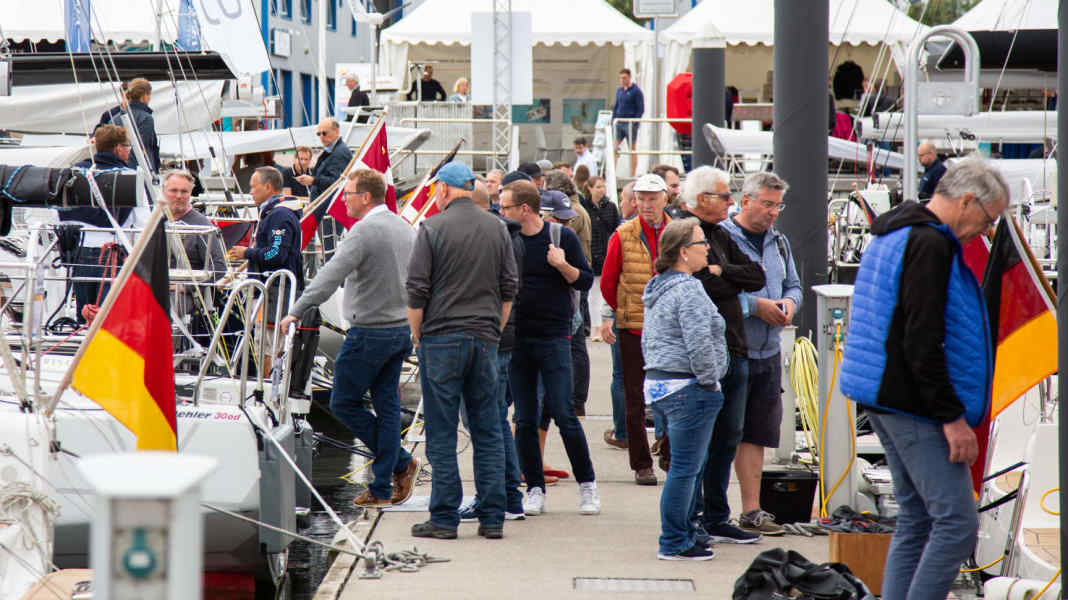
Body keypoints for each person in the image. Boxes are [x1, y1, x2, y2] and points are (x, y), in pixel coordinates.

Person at [840, 159, 1009, 600]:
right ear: (967, 201)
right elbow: (922, 339)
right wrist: (951, 417)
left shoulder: (893, 230)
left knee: (916, 518)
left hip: (885, 396)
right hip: (912, 403)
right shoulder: (930, 244)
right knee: (957, 522)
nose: (985, 231)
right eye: (988, 219)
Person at [280, 169, 419, 508]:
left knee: (342, 401)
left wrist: (297, 309)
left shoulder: (363, 231)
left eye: (349, 194)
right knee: (386, 405)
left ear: (366, 197)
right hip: (400, 330)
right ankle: (384, 486)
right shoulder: (405, 227)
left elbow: (330, 274)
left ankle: (400, 464)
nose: (344, 200)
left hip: (369, 333)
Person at [406, 162, 518, 540]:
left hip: (441, 339)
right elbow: (508, 289)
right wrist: (493, 331)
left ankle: (444, 517)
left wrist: (418, 337)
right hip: (484, 338)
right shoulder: (497, 227)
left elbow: (416, 291)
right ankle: (492, 517)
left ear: (443, 190)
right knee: (488, 428)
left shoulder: (432, 228)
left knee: (441, 430)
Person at [678, 167, 769, 544]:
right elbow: (705, 285)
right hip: (705, 354)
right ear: (702, 200)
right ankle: (693, 518)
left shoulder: (720, 234)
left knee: (728, 437)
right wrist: (725, 278)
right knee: (701, 441)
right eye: (724, 195)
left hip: (736, 348)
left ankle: (717, 516)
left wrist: (723, 270)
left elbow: (757, 276)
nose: (731, 201)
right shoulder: (685, 232)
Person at [502, 179, 600, 517]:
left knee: (563, 412)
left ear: (524, 209)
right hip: (519, 338)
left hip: (555, 336)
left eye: (506, 207)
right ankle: (534, 488)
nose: (502, 213)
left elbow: (586, 280)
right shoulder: (508, 239)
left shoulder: (562, 237)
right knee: (525, 418)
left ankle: (587, 484)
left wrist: (561, 265)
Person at [642, 217, 729, 561]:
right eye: (700, 243)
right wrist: (710, 382)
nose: (707, 248)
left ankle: (685, 532)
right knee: (685, 469)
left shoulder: (659, 286)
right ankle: (675, 540)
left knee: (685, 465)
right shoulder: (689, 289)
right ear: (683, 252)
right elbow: (699, 343)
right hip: (688, 388)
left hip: (662, 385)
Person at [722, 172, 802, 536]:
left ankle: (752, 510)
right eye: (767, 204)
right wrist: (755, 306)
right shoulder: (721, 238)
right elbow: (709, 291)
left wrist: (788, 302)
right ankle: (712, 511)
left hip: (768, 351)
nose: (773, 213)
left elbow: (794, 286)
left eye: (778, 205)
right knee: (724, 433)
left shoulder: (779, 242)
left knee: (756, 433)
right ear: (745, 200)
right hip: (732, 350)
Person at [459, 171, 531, 523]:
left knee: (485, 419)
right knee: (491, 418)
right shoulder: (506, 235)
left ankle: (504, 496)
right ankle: (505, 494)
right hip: (499, 335)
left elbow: (502, 290)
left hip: (493, 337)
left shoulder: (496, 237)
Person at [599, 173, 672, 486]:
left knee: (671, 394)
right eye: (641, 198)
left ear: (664, 199)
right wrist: (619, 311)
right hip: (633, 327)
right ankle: (642, 464)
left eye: (652, 198)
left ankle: (669, 453)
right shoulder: (623, 234)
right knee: (634, 398)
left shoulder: (679, 232)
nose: (646, 205)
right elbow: (607, 282)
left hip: (670, 330)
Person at [67, 125, 136, 322]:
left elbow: (61, 215)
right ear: (118, 148)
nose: (129, 151)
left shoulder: (75, 172)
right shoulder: (129, 177)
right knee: (110, 318)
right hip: (113, 255)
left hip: (81, 254)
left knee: (85, 315)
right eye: (128, 146)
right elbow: (142, 223)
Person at [230, 166, 303, 293]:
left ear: (268, 187)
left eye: (253, 187)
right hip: (273, 288)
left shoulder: (280, 215)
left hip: (277, 291)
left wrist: (247, 253)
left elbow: (276, 253)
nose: (251, 192)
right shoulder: (274, 213)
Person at [163, 170, 227, 281]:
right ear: (163, 192)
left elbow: (219, 267)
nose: (179, 196)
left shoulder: (202, 226)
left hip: (185, 294)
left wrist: (188, 288)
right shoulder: (154, 221)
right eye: (174, 190)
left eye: (184, 192)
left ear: (190, 193)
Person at [579, 176, 617, 335]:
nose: (602, 190)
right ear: (590, 188)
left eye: (603, 186)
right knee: (591, 294)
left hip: (605, 251)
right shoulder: (584, 206)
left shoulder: (610, 207)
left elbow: (613, 226)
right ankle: (594, 326)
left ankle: (603, 325)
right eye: (598, 187)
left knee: (604, 292)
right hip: (590, 252)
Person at [97, 78, 160, 173]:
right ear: (144, 95)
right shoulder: (146, 118)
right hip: (140, 171)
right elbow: (141, 149)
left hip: (117, 169)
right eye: (149, 94)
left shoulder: (114, 118)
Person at [298, 118, 353, 201]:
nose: (321, 137)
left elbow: (336, 182)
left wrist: (313, 180)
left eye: (324, 133)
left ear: (336, 131)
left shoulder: (339, 153)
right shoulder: (332, 150)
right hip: (321, 203)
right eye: (318, 134)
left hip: (327, 206)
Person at [612, 68, 644, 176]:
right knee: (615, 147)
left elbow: (640, 109)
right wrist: (614, 119)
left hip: (630, 123)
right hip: (619, 122)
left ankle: (633, 173)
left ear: (629, 77)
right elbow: (617, 106)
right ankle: (612, 171)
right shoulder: (620, 91)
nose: (622, 80)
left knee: (632, 149)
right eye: (620, 78)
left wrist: (635, 122)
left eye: (624, 78)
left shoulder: (636, 91)